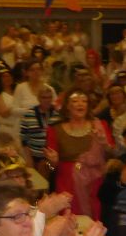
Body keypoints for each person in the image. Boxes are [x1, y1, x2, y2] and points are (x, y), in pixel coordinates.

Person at [45, 91, 113, 219]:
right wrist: (52, 162)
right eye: (75, 101)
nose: (80, 104)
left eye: (84, 101)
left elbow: (111, 155)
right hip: (66, 184)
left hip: (93, 183)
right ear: (67, 106)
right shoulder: (55, 130)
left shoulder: (99, 126)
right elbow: (50, 167)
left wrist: (104, 143)